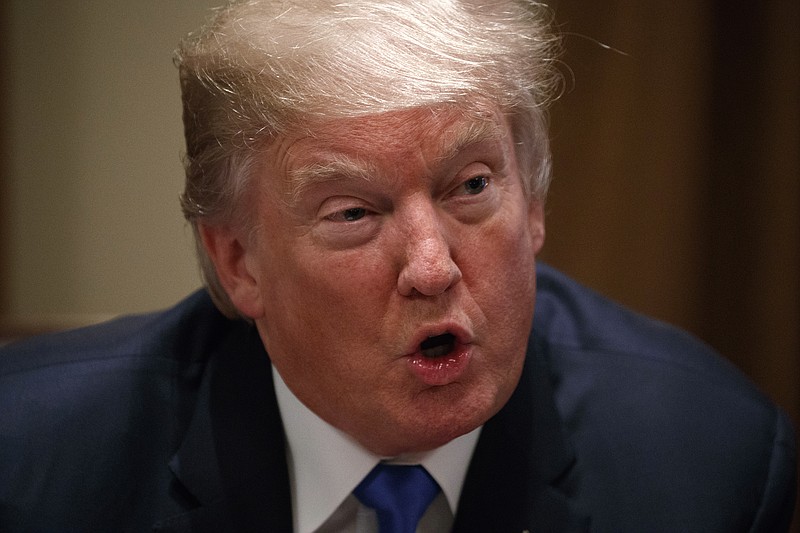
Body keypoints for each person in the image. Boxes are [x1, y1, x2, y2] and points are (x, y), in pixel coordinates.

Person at [0, 0, 796, 531]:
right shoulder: (32, 462)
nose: (432, 265)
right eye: (353, 212)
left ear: (537, 203)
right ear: (237, 260)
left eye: (472, 185)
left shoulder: (710, 461)